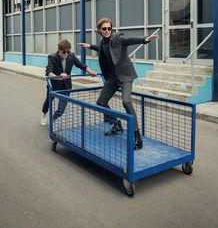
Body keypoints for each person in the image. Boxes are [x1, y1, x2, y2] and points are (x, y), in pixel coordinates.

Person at [78, 18, 157, 150]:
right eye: (104, 29)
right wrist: (90, 46)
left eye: (109, 28)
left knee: (126, 101)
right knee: (101, 102)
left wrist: (145, 39)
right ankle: (116, 123)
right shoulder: (102, 42)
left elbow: (129, 40)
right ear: (99, 30)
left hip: (125, 75)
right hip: (113, 78)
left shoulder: (117, 37)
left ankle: (137, 136)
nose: (107, 31)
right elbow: (104, 49)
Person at [41, 39, 97, 126]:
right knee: (48, 101)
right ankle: (44, 114)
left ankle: (53, 120)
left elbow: (81, 65)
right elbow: (49, 72)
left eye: (68, 51)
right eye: (64, 52)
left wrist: (91, 71)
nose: (66, 54)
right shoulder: (52, 57)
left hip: (66, 86)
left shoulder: (71, 56)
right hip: (54, 85)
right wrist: (58, 77)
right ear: (59, 50)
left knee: (61, 108)